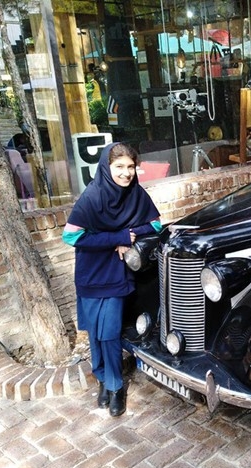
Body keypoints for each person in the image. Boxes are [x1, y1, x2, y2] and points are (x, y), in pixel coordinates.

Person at [62, 143, 163, 416]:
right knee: (94, 332)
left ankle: (116, 385)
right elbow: (70, 236)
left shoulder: (136, 194)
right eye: (119, 167)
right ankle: (102, 379)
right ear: (106, 168)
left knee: (109, 332)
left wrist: (128, 235)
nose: (126, 173)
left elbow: (155, 225)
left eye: (131, 167)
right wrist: (116, 238)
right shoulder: (92, 197)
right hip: (91, 272)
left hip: (116, 273)